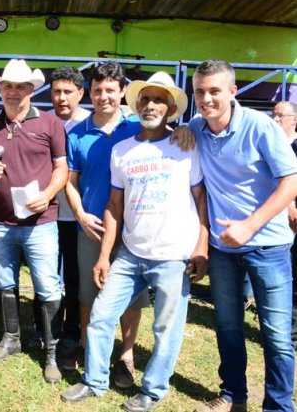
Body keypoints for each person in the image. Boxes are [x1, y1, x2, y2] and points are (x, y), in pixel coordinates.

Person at [61, 72, 208, 412]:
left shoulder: (185, 145)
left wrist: (202, 245)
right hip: (130, 252)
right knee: (100, 316)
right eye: (145, 99)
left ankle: (153, 390)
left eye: (159, 100)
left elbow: (201, 200)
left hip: (173, 256)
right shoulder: (122, 150)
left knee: (165, 327)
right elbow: (114, 206)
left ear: (171, 108)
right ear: (136, 104)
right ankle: (95, 380)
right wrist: (104, 256)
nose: (151, 105)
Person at [189, 60, 297, 412]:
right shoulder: (195, 129)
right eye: (200, 92)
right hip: (223, 250)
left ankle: (278, 406)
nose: (206, 99)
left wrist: (250, 225)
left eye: (214, 91)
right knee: (228, 327)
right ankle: (234, 395)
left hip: (269, 246)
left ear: (233, 92)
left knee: (277, 336)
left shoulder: (261, 127)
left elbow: (291, 182)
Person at [0, 59, 68, 384]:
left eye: (20, 86)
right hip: (1, 222)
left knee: (46, 287)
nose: (13, 92)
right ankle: (12, 339)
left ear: (31, 89)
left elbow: (62, 169)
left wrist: (47, 194)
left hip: (41, 222)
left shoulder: (50, 124)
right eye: (7, 86)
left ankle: (52, 353)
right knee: (6, 283)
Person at [64, 62, 149, 383]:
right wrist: (80, 214)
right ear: (90, 92)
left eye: (110, 90)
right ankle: (89, 348)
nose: (104, 97)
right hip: (92, 227)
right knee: (89, 293)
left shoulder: (139, 127)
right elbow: (70, 181)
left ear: (123, 91)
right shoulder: (78, 133)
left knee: (132, 295)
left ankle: (126, 355)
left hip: (132, 230)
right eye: (98, 90)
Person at [40, 66, 90, 365]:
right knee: (45, 275)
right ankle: (44, 329)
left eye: (68, 92)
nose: (61, 97)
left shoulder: (89, 123)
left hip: (76, 215)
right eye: (56, 91)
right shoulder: (43, 120)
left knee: (74, 277)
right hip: (46, 213)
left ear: (80, 94)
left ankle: (71, 332)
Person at [276, 101, 297, 351]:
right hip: (282, 219)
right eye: (275, 114)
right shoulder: (272, 143)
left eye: (282, 115)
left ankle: (290, 335)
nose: (277, 118)